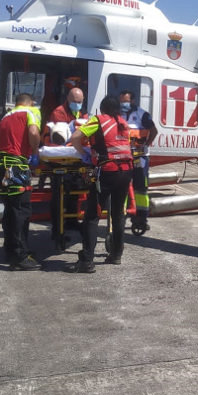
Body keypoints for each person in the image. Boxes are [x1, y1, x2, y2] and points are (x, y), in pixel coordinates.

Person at [69, 96, 134, 273]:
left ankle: (87, 261)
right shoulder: (123, 123)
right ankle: (116, 254)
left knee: (92, 215)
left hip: (107, 172)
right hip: (126, 171)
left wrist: (84, 153)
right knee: (118, 213)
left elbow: (75, 137)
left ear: (102, 109)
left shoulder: (98, 120)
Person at [0, 93, 42, 270]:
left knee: (10, 210)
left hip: (0, 167)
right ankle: (19, 257)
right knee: (21, 211)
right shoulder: (30, 112)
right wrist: (35, 151)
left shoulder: (7, 115)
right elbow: (34, 132)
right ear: (31, 102)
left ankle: (13, 249)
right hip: (15, 167)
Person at [45, 86, 88, 248]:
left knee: (75, 190)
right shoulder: (59, 113)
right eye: (75, 102)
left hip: (74, 157)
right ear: (68, 100)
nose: (78, 104)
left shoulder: (82, 113)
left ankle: (71, 221)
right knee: (59, 194)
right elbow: (59, 135)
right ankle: (57, 229)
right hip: (60, 158)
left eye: (80, 102)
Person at [120, 90, 158, 234]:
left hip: (139, 158)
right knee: (122, 187)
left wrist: (146, 144)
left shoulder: (142, 114)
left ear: (133, 101)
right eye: (121, 101)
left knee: (140, 189)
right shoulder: (118, 115)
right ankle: (121, 216)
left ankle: (141, 218)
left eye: (125, 101)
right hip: (123, 157)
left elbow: (154, 130)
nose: (123, 104)